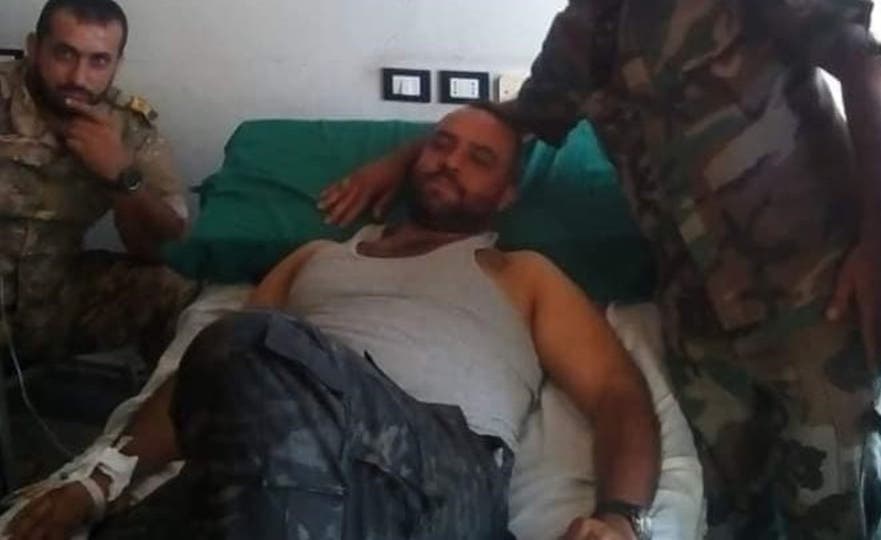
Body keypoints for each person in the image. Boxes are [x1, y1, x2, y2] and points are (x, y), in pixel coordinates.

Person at [319, 1, 881, 537]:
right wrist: (404, 160)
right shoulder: (582, 31)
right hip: (699, 327)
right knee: (722, 518)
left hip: (815, 298)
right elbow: (511, 119)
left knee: (834, 517)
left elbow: (872, 72)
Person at [5, 104, 662, 540]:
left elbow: (618, 395)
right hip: (282, 459)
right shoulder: (315, 256)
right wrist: (99, 479)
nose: (450, 162)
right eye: (441, 145)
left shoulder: (523, 272)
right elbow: (208, 382)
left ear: (507, 194)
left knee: (246, 339)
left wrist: (619, 517)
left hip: (437, 470)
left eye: (479, 159)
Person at [0, 0, 196, 368]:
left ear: (116, 64)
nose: (78, 77)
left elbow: (164, 249)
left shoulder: (130, 129)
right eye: (64, 54)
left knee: (177, 291)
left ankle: (157, 405)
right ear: (34, 48)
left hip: (54, 300)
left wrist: (123, 176)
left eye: (98, 61)